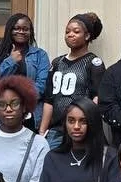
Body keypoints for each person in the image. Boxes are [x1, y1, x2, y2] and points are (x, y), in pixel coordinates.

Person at [38, 12, 106, 149]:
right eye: (67, 31)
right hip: (55, 131)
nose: (70, 34)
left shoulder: (94, 63)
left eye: (76, 31)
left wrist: (89, 127)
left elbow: (96, 98)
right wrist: (41, 133)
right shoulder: (57, 63)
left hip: (80, 130)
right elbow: (49, 100)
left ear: (86, 36)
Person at [0, 13, 49, 123]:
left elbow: (41, 86)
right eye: (16, 28)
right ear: (10, 30)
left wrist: (20, 103)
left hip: (30, 115)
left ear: (30, 32)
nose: (21, 32)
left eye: (25, 29)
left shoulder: (40, 55)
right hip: (2, 115)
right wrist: (11, 61)